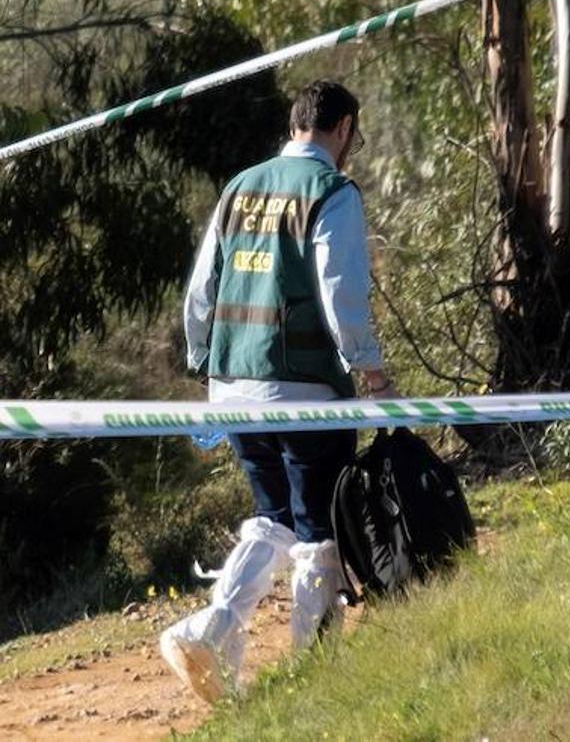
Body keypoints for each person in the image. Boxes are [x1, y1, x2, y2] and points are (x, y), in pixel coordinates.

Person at [161, 79, 397, 703]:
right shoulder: (332, 190)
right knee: (318, 534)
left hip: (231, 384)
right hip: (304, 389)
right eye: (356, 137)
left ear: (296, 124)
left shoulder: (240, 186)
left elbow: (200, 290)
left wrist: (202, 359)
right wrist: (368, 369)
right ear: (342, 129)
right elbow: (340, 290)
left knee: (272, 519)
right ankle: (316, 676)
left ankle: (210, 629)